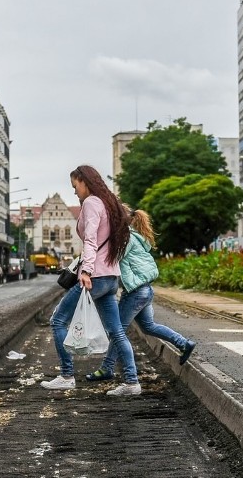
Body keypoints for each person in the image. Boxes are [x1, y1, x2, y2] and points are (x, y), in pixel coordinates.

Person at [40, 164, 140, 396]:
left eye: (75, 186)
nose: (74, 191)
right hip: (110, 277)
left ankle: (66, 375)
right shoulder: (109, 203)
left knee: (57, 321)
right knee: (116, 331)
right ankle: (132, 382)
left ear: (85, 181)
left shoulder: (92, 203)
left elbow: (91, 240)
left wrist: (85, 271)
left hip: (95, 277)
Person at [86, 207, 195, 383]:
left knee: (117, 331)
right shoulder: (133, 236)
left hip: (136, 292)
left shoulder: (125, 239)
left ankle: (107, 368)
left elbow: (112, 258)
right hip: (144, 290)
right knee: (148, 326)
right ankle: (184, 343)